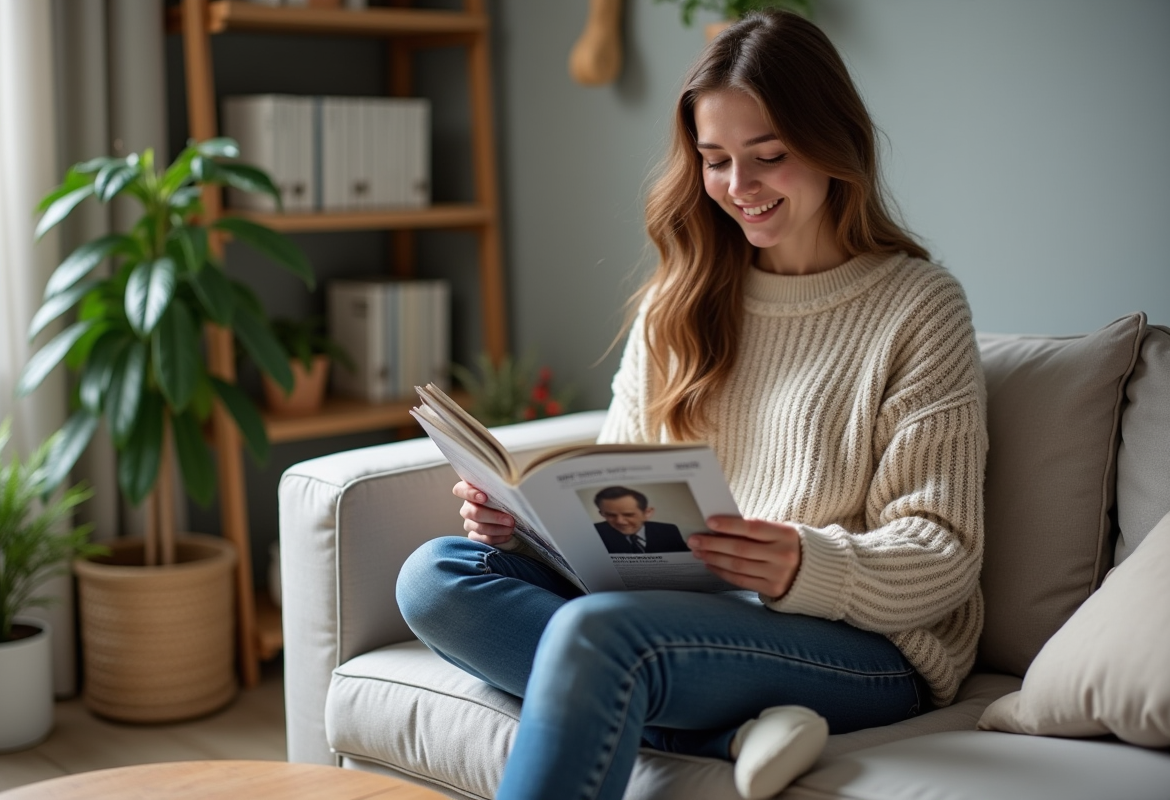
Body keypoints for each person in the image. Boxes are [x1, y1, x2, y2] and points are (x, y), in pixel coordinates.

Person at [396, 10, 987, 800]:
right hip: (672, 617)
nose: (738, 188)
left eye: (767, 157)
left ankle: (687, 702)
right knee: (435, 577)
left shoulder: (918, 308)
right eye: (715, 161)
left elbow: (944, 553)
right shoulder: (681, 300)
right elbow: (610, 496)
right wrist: (528, 527)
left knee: (595, 634)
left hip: (861, 646)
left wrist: (806, 564)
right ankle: (727, 729)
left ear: (832, 146)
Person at [592, 486, 690, 554]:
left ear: (647, 513)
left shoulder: (668, 531)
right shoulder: (594, 532)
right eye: (610, 515)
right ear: (602, 514)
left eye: (628, 514)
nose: (620, 521)